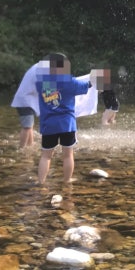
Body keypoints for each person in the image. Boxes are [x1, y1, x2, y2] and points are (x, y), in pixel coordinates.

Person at [36, 53, 102, 185]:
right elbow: (87, 85)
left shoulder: (41, 82)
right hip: (67, 124)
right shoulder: (68, 81)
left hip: (48, 124)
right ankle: (67, 181)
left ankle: (41, 182)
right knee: (68, 155)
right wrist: (95, 76)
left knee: (45, 156)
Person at [11, 63, 41, 149]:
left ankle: (30, 146)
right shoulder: (42, 69)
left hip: (25, 99)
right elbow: (43, 86)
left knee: (29, 125)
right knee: (27, 127)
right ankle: (22, 149)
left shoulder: (39, 66)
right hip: (25, 101)